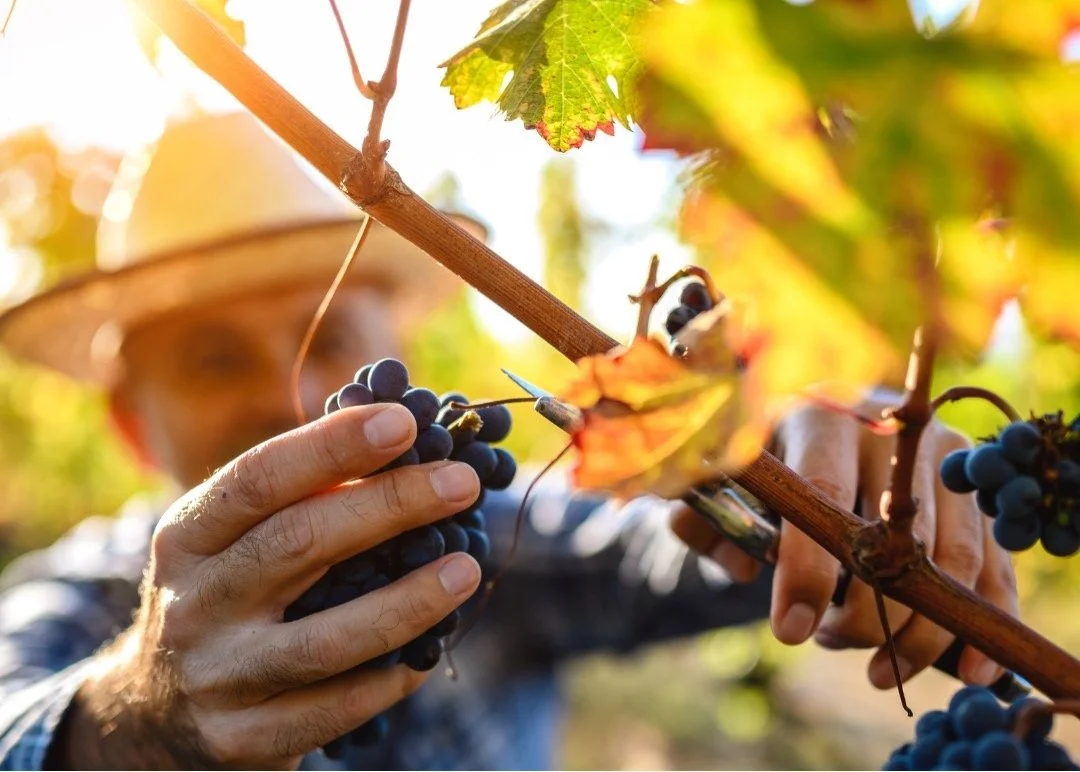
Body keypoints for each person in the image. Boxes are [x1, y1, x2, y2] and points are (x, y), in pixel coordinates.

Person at [0, 111, 1017, 770]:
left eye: (335, 340)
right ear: (133, 426)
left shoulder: (485, 539)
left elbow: (649, 538)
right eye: (215, 360)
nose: (292, 392)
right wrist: (137, 712)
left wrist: (810, 468)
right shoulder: (73, 600)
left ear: (398, 346)